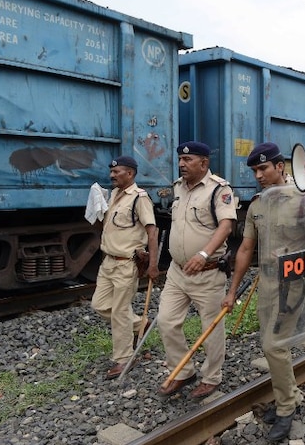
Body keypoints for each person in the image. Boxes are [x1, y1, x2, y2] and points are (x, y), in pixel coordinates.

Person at [221, 142, 305, 442]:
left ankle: (286, 408)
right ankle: (291, 396)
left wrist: (296, 254)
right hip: (268, 283)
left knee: (275, 346)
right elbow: (247, 248)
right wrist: (232, 290)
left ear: (280, 167)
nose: (258, 175)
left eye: (263, 168)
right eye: (254, 170)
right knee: (272, 345)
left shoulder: (303, 198)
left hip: (293, 284)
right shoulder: (258, 205)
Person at [157, 141, 237, 399]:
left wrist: (203, 254)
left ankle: (212, 377)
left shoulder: (219, 190)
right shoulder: (177, 187)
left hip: (208, 272)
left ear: (204, 163)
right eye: (180, 159)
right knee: (167, 321)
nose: (182, 163)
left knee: (210, 329)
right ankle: (183, 371)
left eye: (188, 160)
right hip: (177, 272)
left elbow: (226, 225)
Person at [91, 155, 159, 379]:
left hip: (125, 264)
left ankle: (123, 359)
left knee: (120, 313)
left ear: (130, 174)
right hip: (108, 262)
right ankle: (142, 324)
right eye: (111, 172)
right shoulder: (114, 195)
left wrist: (153, 265)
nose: (111, 175)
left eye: (116, 172)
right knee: (99, 305)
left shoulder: (139, 198)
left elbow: (152, 231)